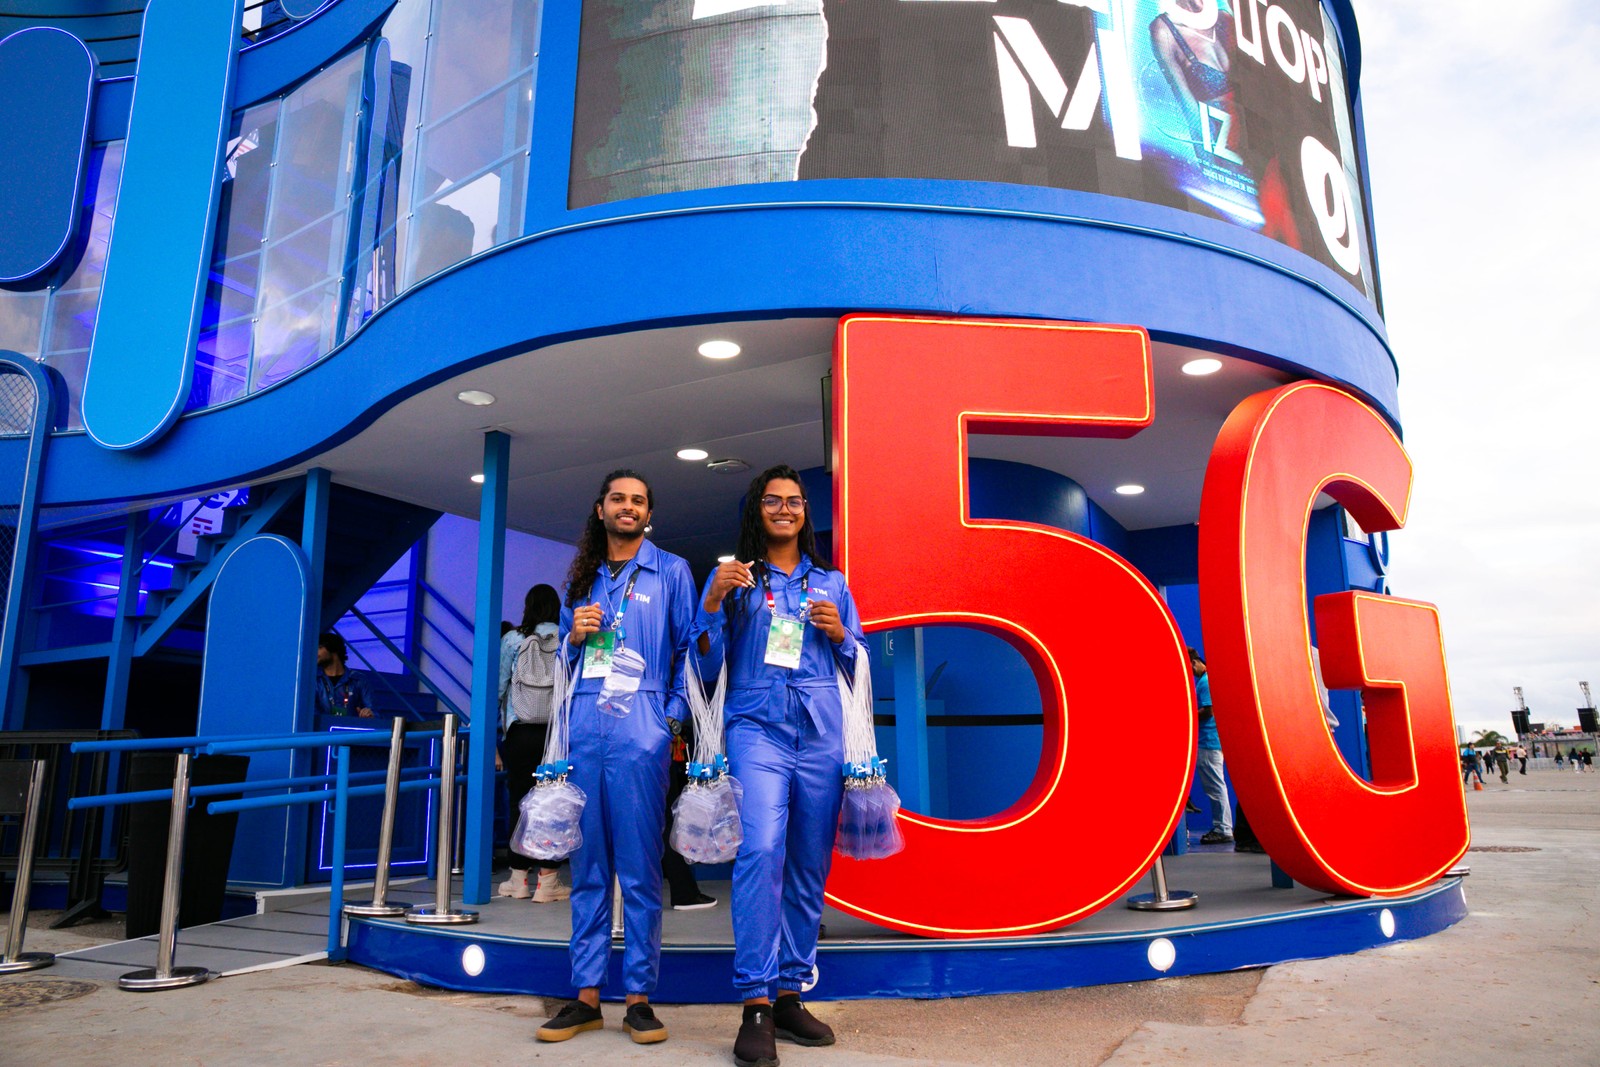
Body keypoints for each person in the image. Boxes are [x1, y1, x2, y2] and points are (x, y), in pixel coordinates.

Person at [694, 465, 865, 1067]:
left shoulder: (833, 582)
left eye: (794, 501)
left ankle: (791, 992)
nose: (785, 509)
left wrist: (842, 634)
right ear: (756, 510)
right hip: (756, 729)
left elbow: (860, 664)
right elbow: (704, 664)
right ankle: (756, 1003)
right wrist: (713, 601)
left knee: (808, 862)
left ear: (804, 512)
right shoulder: (737, 579)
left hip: (820, 733)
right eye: (773, 500)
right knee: (761, 849)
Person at [536, 470, 696, 1047]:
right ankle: (584, 998)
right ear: (599, 508)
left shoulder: (671, 570)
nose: (628, 507)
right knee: (589, 869)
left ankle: (638, 998)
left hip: (642, 728)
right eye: (618, 499)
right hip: (585, 727)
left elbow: (688, 653)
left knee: (640, 867)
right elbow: (561, 671)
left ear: (648, 513)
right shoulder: (581, 579)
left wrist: (667, 723)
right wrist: (574, 637)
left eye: (639, 500)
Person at [497, 583, 568, 903]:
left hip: (520, 731)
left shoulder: (513, 639)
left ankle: (518, 880)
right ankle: (548, 882)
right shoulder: (568, 636)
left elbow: (498, 687)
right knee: (553, 804)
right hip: (555, 734)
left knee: (519, 802)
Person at [1189, 649, 1232, 845]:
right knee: (1215, 786)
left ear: (1195, 661)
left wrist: (1187, 714)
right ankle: (1222, 827)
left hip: (1208, 741)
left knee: (1215, 787)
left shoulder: (1205, 682)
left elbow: (1208, 711)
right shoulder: (1207, 680)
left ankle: (1223, 828)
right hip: (1212, 740)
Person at [314, 632, 374, 717]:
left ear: (333, 649)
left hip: (350, 729)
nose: (315, 653)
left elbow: (374, 711)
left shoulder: (359, 680)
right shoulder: (314, 681)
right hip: (322, 729)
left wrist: (368, 714)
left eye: (319, 648)